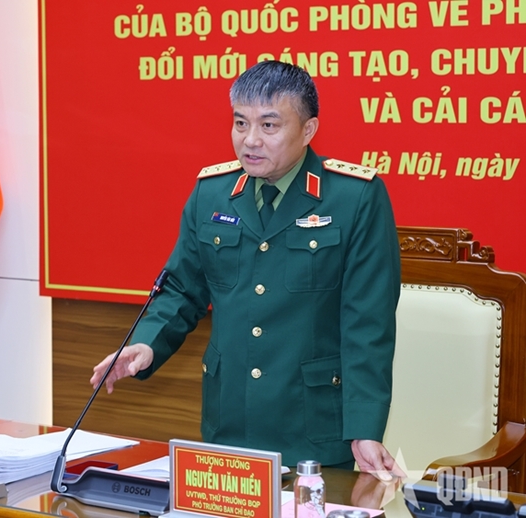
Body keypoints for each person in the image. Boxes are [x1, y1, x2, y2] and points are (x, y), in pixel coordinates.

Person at [90, 60, 405, 480]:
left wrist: (364, 429)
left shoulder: (355, 197)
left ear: (308, 130)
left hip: (314, 430)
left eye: (269, 125)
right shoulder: (212, 193)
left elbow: (368, 322)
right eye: (240, 123)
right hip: (228, 422)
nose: (250, 140)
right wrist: (147, 343)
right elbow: (181, 288)